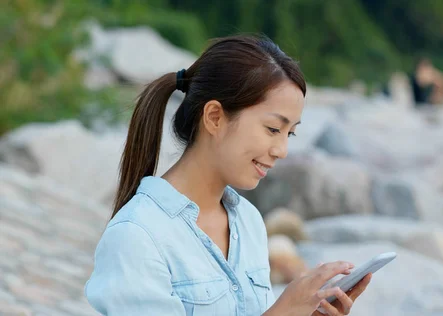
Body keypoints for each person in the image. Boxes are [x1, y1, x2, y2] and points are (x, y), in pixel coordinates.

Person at [84, 34, 372, 315]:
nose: (282, 150)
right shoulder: (137, 235)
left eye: (290, 133)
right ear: (214, 117)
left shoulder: (249, 222)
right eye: (273, 129)